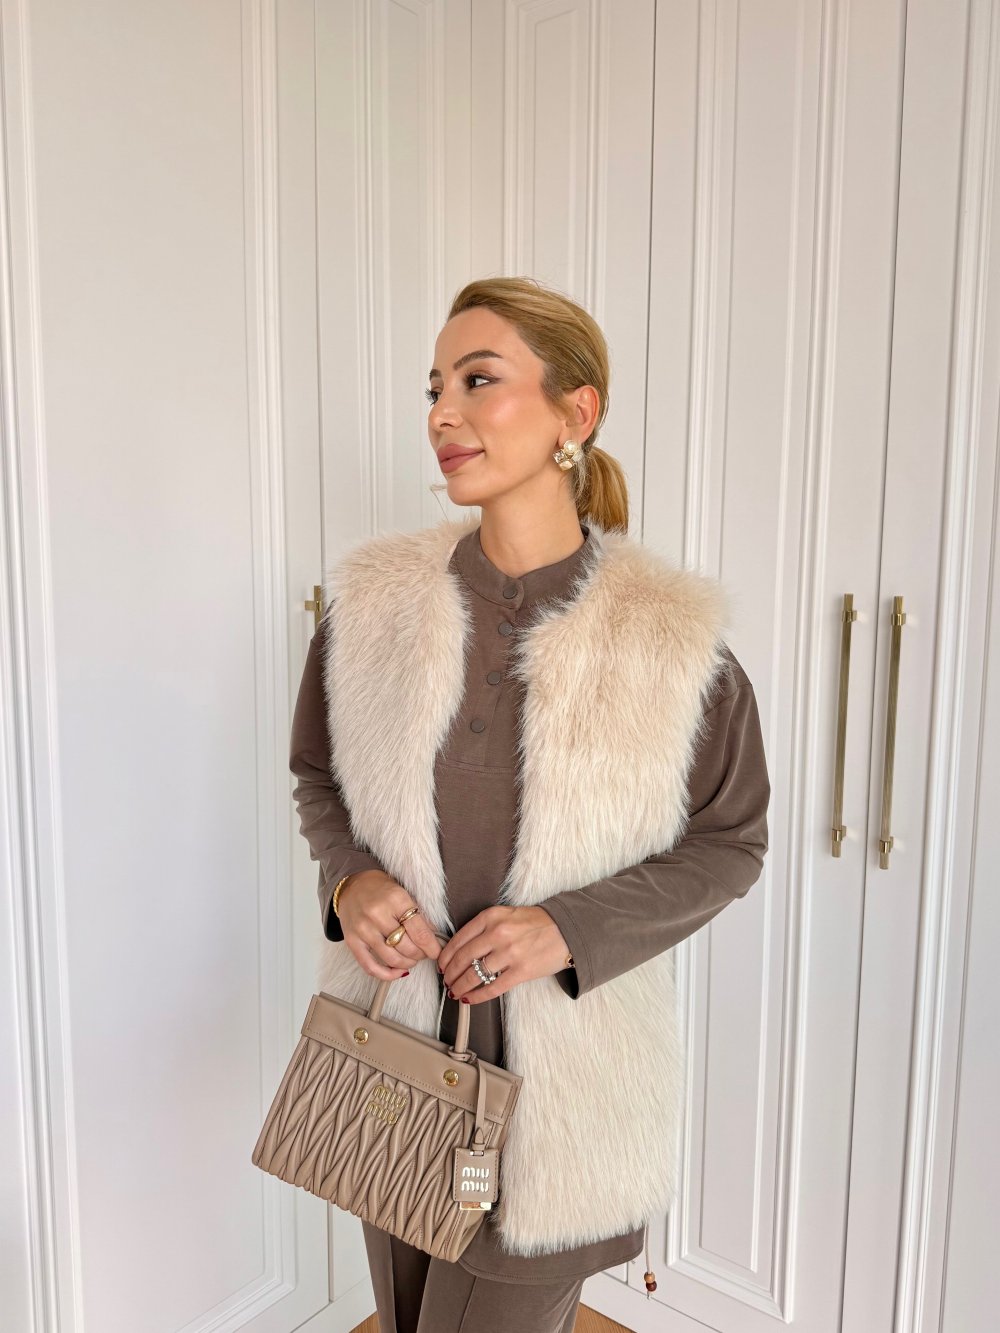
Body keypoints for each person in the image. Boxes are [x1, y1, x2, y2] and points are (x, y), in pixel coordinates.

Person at [289, 276, 770, 1333]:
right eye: (434, 387)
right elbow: (317, 776)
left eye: (478, 380)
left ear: (573, 412)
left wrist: (566, 927)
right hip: (397, 1048)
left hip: (566, 1081)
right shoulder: (370, 608)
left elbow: (731, 841)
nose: (441, 414)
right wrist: (351, 879)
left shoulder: (671, 640)